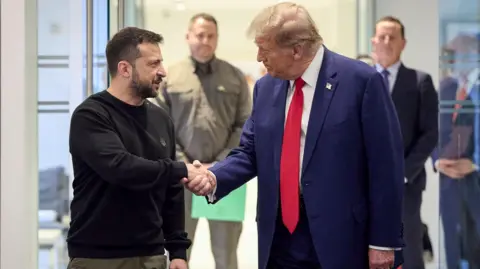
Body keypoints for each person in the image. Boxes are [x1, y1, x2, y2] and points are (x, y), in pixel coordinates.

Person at [184, 2, 405, 269]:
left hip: (341, 238)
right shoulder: (266, 88)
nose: (258, 58)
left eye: (265, 49)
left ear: (296, 50)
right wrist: (214, 177)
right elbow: (251, 151)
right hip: (279, 238)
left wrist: (383, 242)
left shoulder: (361, 82)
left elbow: (385, 167)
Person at [67, 27, 213, 269]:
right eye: (153, 64)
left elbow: (171, 192)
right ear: (125, 69)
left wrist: (177, 251)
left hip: (152, 256)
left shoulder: (161, 119)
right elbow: (120, 168)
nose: (162, 72)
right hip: (98, 257)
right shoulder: (91, 115)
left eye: (161, 63)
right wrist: (181, 169)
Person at [155, 13, 251, 269]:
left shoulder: (235, 77)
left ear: (217, 39)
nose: (205, 40)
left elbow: (244, 124)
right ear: (188, 37)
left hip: (225, 179)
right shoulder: (170, 77)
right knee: (177, 253)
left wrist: (219, 166)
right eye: (200, 34)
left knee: (226, 253)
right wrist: (185, 165)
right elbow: (159, 127)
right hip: (179, 179)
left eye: (210, 35)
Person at [372, 16, 439, 269]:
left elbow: (430, 133)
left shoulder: (420, 81)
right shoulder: (360, 80)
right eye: (382, 37)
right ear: (373, 41)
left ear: (403, 43)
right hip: (365, 182)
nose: (387, 42)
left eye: (393, 37)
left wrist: (403, 172)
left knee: (407, 248)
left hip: (406, 185)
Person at [435, 33, 480, 269]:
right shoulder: (446, 87)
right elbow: (432, 132)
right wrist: (437, 161)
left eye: (458, 53)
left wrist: (475, 163)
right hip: (449, 183)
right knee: (452, 246)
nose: (453, 59)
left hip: (476, 180)